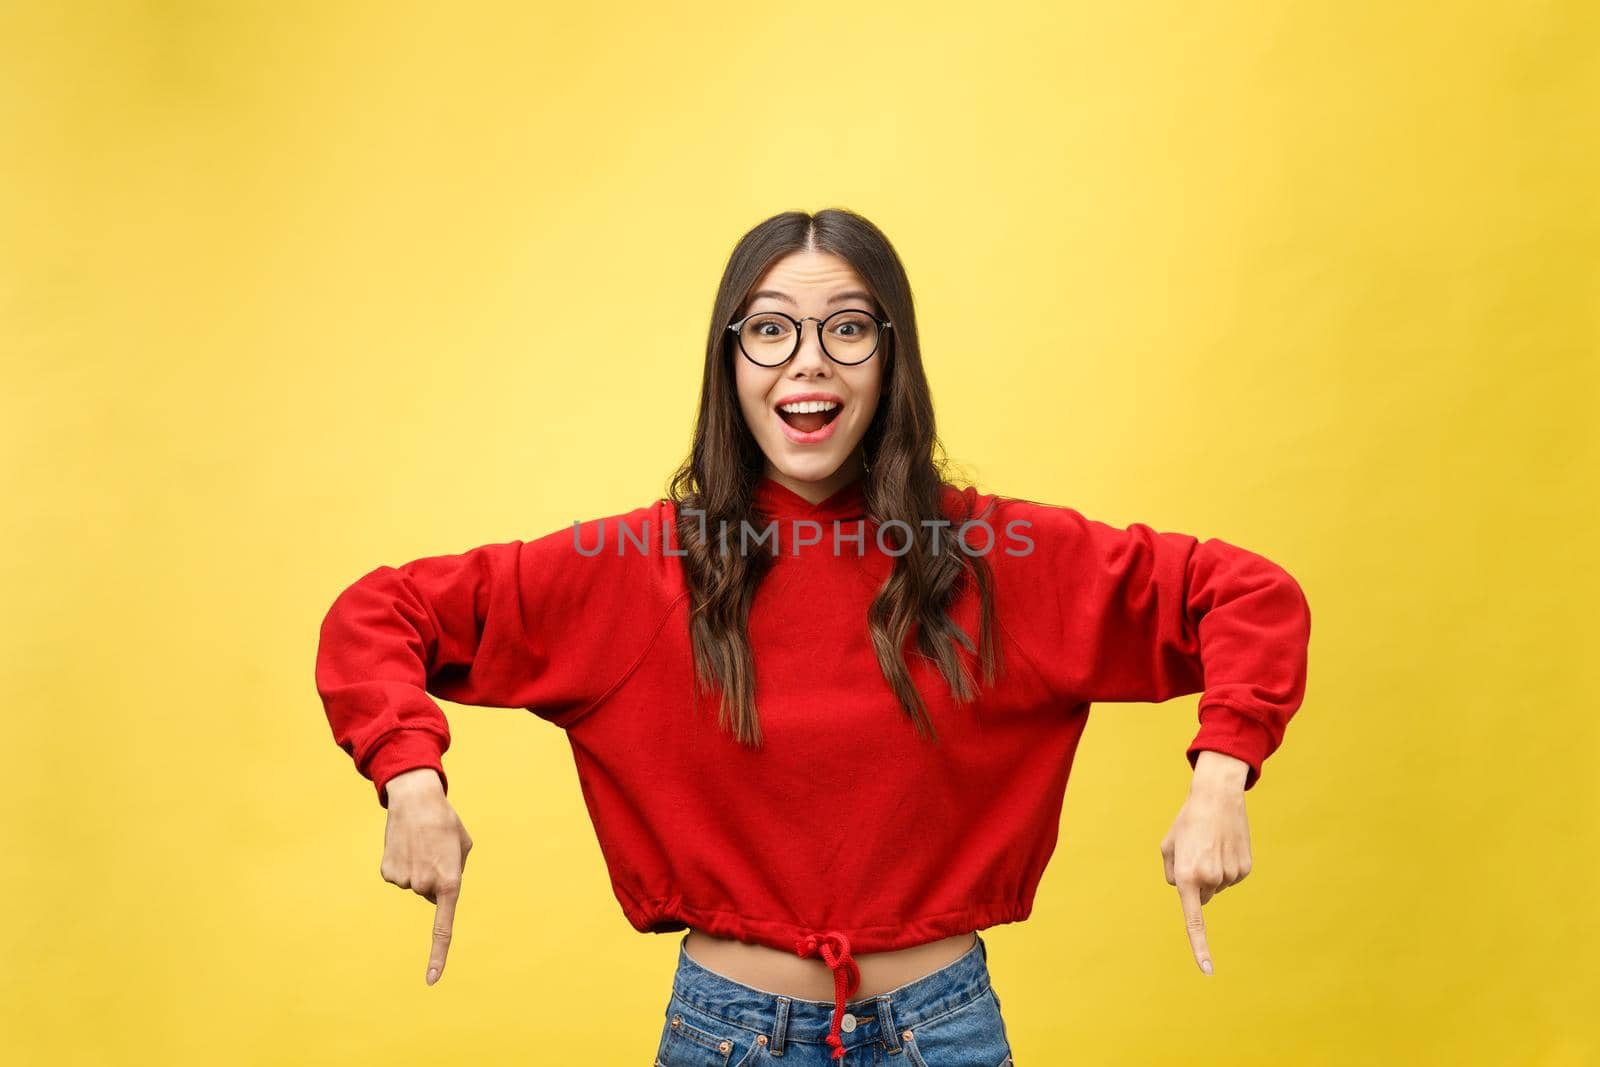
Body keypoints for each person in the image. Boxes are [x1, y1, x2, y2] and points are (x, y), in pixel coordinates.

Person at [314, 208, 1312, 1064]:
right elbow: (379, 614)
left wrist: (1220, 774)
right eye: (771, 331)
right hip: (727, 1032)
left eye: (846, 329)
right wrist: (413, 781)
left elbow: (1244, 595)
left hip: (943, 1029)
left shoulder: (992, 553)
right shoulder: (637, 566)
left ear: (891, 355)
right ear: (730, 357)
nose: (808, 360)